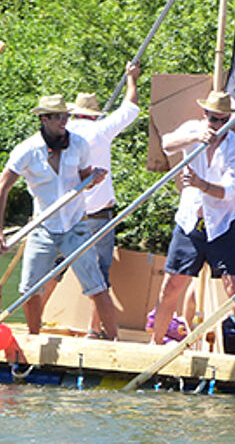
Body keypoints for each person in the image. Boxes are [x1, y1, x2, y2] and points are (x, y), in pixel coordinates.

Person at [0, 94, 120, 340]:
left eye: (66, 116)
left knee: (97, 285)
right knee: (30, 289)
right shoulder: (27, 150)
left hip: (75, 224)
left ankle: (114, 341)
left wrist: (93, 179)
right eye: (58, 117)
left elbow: (84, 179)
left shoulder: (79, 144)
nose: (64, 121)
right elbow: (2, 187)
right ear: (44, 119)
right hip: (43, 225)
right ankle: (34, 337)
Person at [149, 90, 235, 345]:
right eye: (214, 119)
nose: (218, 125)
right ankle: (155, 343)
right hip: (190, 223)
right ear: (204, 115)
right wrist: (196, 137)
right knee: (172, 284)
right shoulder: (193, 130)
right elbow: (167, 143)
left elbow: (228, 192)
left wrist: (200, 184)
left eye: (224, 120)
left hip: (222, 224)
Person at [64, 61, 141, 336]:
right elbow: (131, 107)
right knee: (99, 274)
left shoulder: (63, 133)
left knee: (53, 269)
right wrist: (132, 78)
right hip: (98, 213)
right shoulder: (101, 130)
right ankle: (93, 329)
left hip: (67, 213)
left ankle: (33, 329)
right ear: (94, 114)